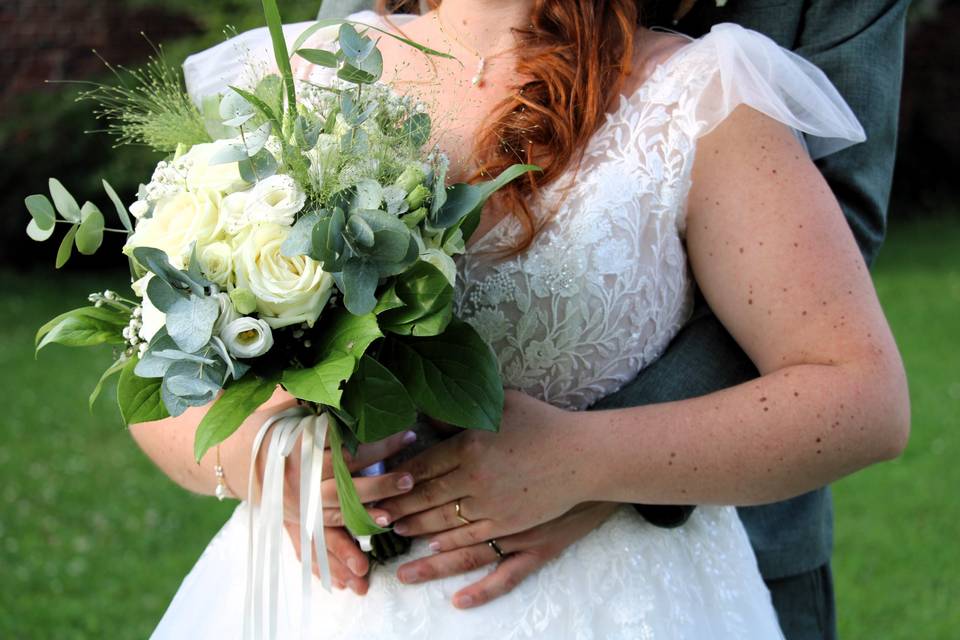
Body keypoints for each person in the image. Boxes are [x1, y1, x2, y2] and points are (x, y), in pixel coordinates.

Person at [134, 1, 909, 638]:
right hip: (315, 606)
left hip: (613, 602)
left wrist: (590, 460)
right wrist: (265, 459)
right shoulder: (302, 73)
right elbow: (157, 369)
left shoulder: (703, 98)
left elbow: (862, 397)